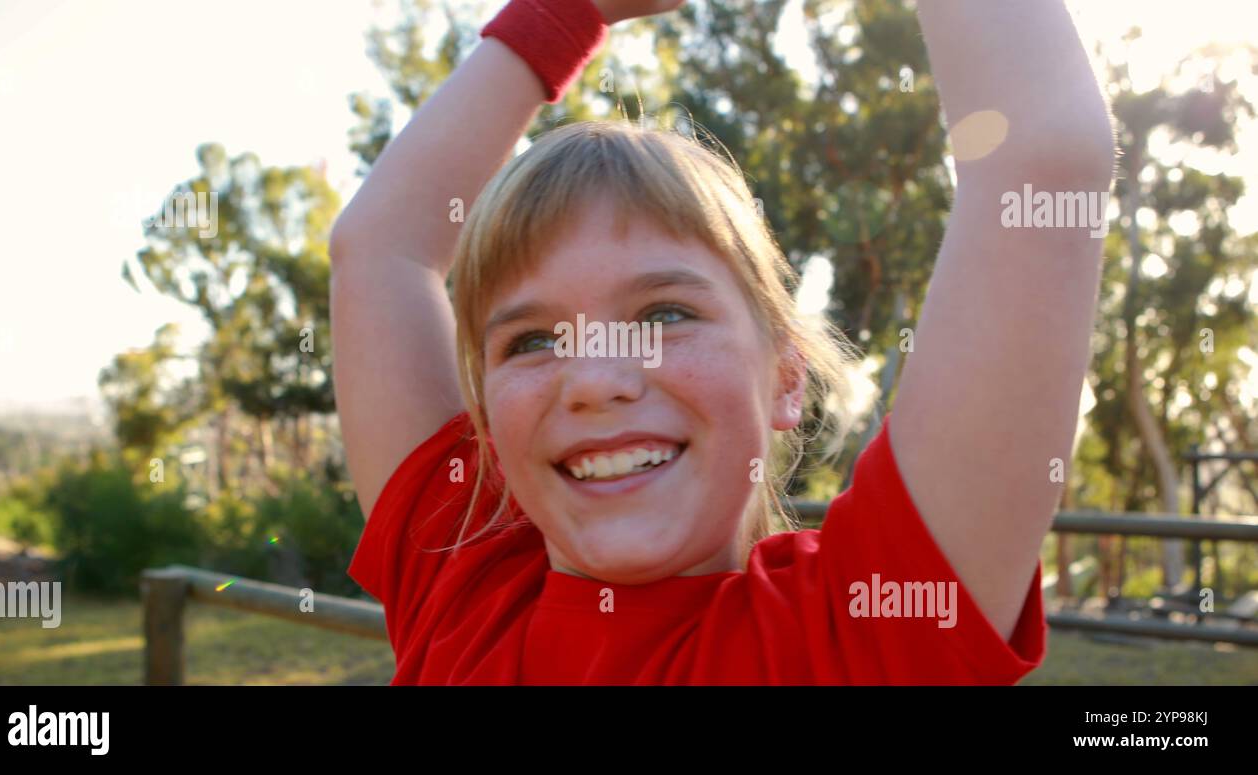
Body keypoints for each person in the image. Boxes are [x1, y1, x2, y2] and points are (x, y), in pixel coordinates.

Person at [329, 0, 1116, 684]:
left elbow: (1041, 163)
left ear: (785, 376)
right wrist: (566, 10)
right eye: (532, 340)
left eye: (664, 315)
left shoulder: (867, 631)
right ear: (489, 423)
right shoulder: (464, 595)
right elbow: (376, 250)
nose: (594, 379)